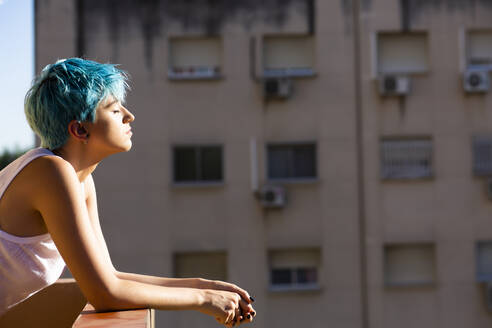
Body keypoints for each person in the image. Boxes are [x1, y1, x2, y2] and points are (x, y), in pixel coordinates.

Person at [0, 58, 256, 327]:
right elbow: (104, 294)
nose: (128, 115)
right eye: (113, 109)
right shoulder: (51, 173)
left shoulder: (80, 181)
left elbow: (110, 276)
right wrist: (202, 299)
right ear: (79, 129)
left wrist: (204, 285)